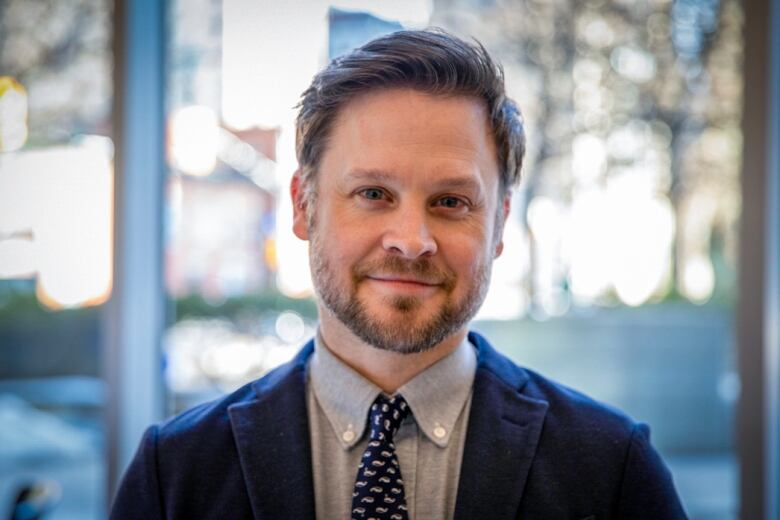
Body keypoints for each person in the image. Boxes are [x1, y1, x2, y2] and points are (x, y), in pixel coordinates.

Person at [110, 29, 687, 519]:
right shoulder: (176, 472)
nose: (412, 242)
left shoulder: (611, 468)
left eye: (452, 202)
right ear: (303, 207)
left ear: (500, 223)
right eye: (373, 193)